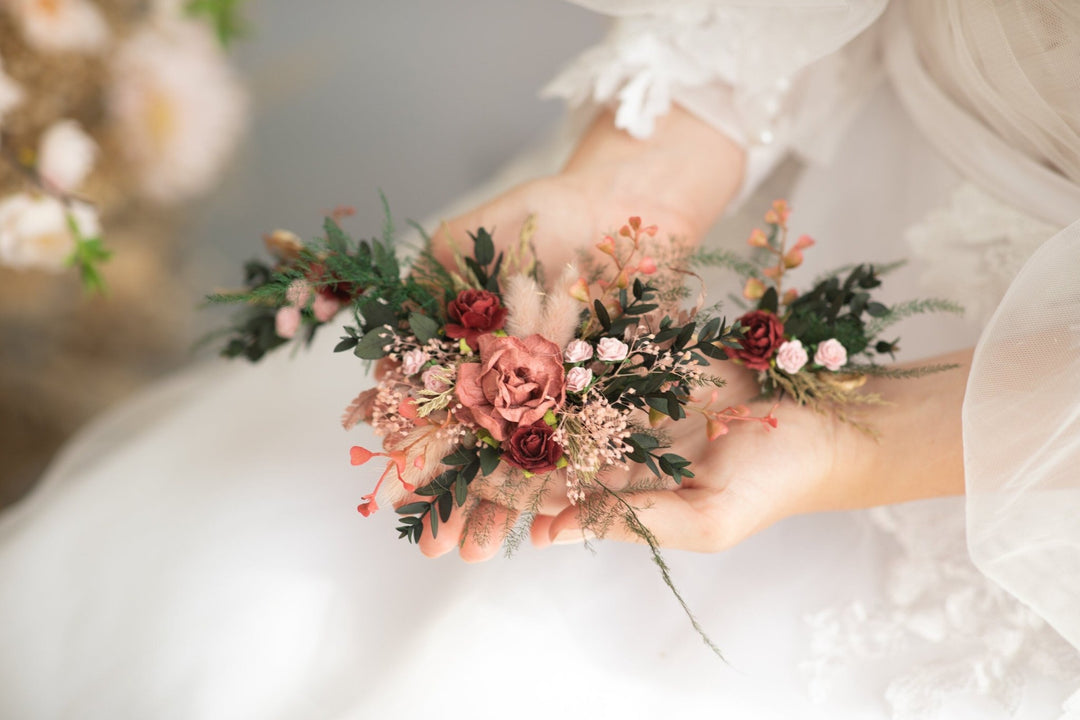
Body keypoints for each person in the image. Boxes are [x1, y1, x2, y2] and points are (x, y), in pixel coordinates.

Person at [1, 1, 1077, 718]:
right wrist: (635, 186)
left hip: (1031, 465)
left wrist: (859, 444)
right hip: (774, 204)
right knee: (233, 590)